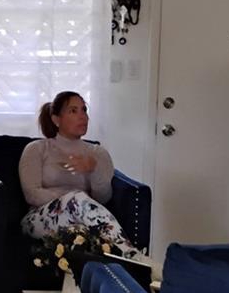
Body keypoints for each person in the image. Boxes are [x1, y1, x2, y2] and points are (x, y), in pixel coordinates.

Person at [18, 91, 141, 256]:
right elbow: (32, 195)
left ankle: (120, 261)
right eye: (73, 111)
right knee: (77, 199)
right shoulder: (37, 149)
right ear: (56, 120)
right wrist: (71, 198)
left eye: (84, 110)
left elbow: (103, 198)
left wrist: (93, 170)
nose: (82, 116)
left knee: (84, 227)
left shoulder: (98, 154)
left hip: (83, 221)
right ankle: (133, 255)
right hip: (39, 220)